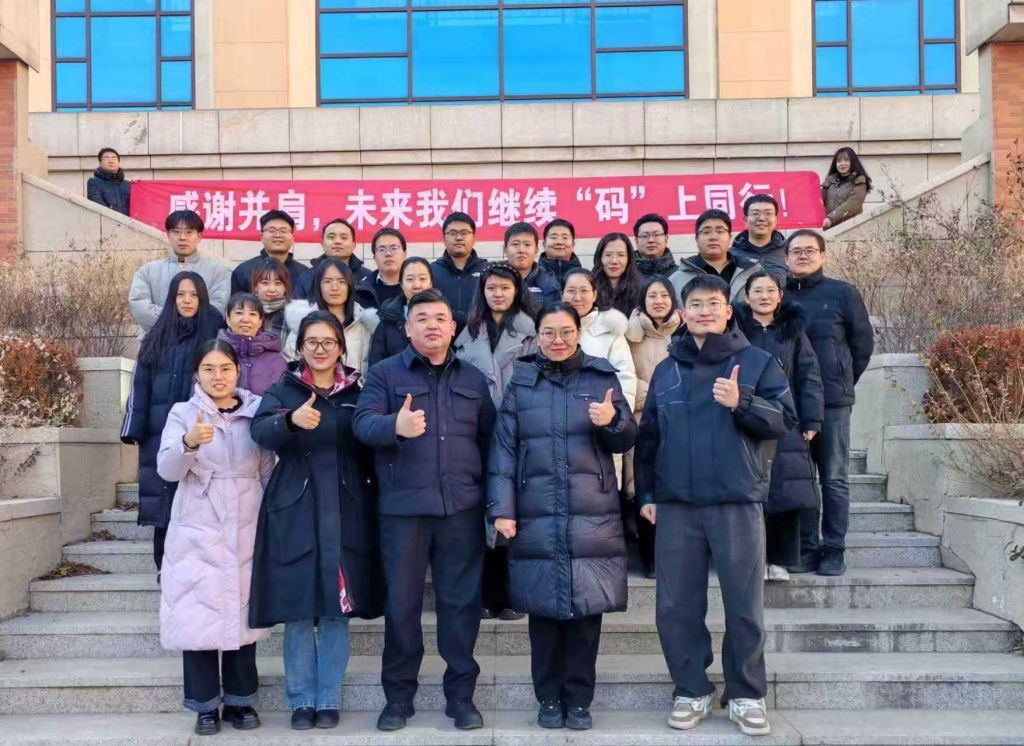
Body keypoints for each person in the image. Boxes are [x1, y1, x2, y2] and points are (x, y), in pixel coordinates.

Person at [634, 275, 796, 738]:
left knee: (743, 605)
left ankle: (746, 694)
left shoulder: (757, 362)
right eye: (696, 304)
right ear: (682, 313)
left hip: (736, 501)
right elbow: (650, 438)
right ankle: (691, 689)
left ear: (728, 311)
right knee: (675, 607)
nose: (704, 311)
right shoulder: (668, 369)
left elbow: (784, 421)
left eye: (713, 304)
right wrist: (647, 494)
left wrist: (742, 402)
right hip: (677, 505)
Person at [489, 302, 637, 732]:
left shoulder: (601, 376)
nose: (558, 340)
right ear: (537, 336)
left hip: (591, 510)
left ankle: (580, 700)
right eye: (549, 333)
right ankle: (549, 698)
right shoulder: (523, 379)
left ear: (578, 333)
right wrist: (502, 508)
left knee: (587, 614)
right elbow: (503, 449)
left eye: (566, 332)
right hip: (535, 508)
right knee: (543, 614)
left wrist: (612, 421)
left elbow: (628, 437)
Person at [353, 289, 496, 733]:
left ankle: (461, 698)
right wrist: (393, 426)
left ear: (453, 328)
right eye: (422, 318)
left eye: (439, 318)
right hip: (404, 512)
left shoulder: (473, 379)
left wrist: (493, 503)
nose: (432, 325)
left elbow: (490, 442)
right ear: (407, 327)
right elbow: (361, 424)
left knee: (461, 606)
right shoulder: (385, 374)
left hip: (461, 509)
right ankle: (398, 699)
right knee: (402, 606)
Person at [249, 311, 385, 731]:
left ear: (341, 348)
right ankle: (301, 701)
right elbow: (259, 431)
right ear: (299, 346)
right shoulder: (284, 389)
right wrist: (290, 421)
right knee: (299, 609)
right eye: (312, 342)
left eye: (328, 342)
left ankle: (328, 699)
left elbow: (372, 438)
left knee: (335, 610)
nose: (320, 349)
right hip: (295, 505)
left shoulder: (358, 391)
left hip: (347, 505)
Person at [156, 340, 274, 736]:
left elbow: (269, 469)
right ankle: (204, 705)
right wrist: (189, 443)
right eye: (209, 369)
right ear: (197, 374)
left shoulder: (257, 411)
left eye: (225, 368)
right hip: (198, 522)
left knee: (242, 610)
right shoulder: (182, 413)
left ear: (237, 370)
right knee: (197, 613)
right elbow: (167, 470)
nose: (218, 376)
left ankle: (241, 700)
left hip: (247, 519)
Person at [121, 273, 224, 573]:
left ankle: (197, 570)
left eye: (193, 295)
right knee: (163, 501)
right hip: (159, 431)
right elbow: (140, 384)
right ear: (172, 299)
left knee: (196, 501)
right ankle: (163, 569)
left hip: (199, 430)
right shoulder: (156, 335)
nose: (187, 300)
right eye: (181, 294)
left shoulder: (214, 333)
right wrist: (134, 427)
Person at [785, 230, 874, 576]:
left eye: (810, 250)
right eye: (796, 251)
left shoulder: (842, 293)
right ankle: (807, 547)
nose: (803, 256)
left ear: (822, 255)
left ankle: (834, 548)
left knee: (834, 477)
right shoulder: (778, 295)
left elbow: (862, 344)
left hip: (832, 403)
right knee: (802, 478)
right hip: (791, 404)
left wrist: (841, 380)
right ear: (786, 258)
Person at [454, 263, 537, 621]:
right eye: (491, 288)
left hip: (521, 430)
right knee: (484, 514)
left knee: (516, 513)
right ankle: (488, 594)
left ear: (516, 290)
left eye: (505, 287)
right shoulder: (467, 333)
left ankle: (515, 594)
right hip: (477, 431)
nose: (498, 293)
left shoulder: (532, 331)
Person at [733, 272, 824, 582]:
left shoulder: (792, 332)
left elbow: (809, 376)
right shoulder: (736, 331)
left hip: (785, 418)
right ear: (746, 297)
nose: (764, 296)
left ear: (780, 296)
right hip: (746, 416)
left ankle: (780, 560)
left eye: (770, 290)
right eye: (757, 291)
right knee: (751, 492)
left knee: (785, 491)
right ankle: (754, 559)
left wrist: (811, 419)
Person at [624, 276, 681, 579]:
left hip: (678, 421)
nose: (658, 301)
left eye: (664, 295)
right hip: (640, 417)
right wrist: (651, 395)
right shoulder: (629, 333)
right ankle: (648, 559)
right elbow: (623, 374)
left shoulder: (685, 331)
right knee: (641, 486)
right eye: (652, 296)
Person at [128, 210, 231, 333]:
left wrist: (186, 325)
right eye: (176, 232)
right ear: (168, 234)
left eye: (189, 232)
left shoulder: (217, 271)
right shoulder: (148, 271)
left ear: (199, 236)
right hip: (158, 339)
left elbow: (218, 307)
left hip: (201, 341)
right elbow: (140, 305)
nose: (182, 237)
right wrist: (174, 322)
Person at [284, 258, 379, 374]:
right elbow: (291, 370)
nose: (334, 288)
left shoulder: (365, 325)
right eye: (327, 281)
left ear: (349, 286)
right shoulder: (302, 324)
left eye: (341, 281)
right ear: (318, 286)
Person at [562, 268, 636, 412]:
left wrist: (620, 417)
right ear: (561, 294)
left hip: (599, 415)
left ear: (594, 294)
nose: (577, 298)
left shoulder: (610, 329)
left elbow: (625, 378)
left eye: (584, 291)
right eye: (571, 291)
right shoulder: (550, 329)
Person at [668, 209, 762, 304]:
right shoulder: (677, 279)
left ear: (730, 238)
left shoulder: (752, 271)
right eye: (706, 232)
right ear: (697, 239)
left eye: (720, 231)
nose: (713, 237)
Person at [367, 257, 433, 367]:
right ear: (401, 284)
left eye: (422, 279)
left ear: (431, 283)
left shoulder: (445, 319)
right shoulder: (387, 321)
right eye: (410, 279)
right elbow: (376, 367)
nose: (417, 285)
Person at [431, 212, 489, 334]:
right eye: (452, 233)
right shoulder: (431, 271)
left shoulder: (487, 270)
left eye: (464, 233)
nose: (458, 238)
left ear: (474, 238)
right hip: (441, 336)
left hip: (481, 335)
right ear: (443, 239)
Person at [217, 293, 286, 397]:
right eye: (239, 313)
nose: (245, 319)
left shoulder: (276, 360)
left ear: (260, 322)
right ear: (228, 320)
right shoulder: (213, 354)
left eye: (252, 314)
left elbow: (281, 400)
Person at [231, 210, 307, 295]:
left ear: (292, 237)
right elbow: (237, 302)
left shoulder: (305, 273)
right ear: (261, 236)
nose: (278, 235)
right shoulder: (243, 271)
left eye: (283, 231)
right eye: (271, 231)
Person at [293, 219, 372, 299]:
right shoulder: (306, 277)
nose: (337, 241)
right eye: (331, 237)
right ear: (322, 244)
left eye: (344, 238)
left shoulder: (368, 277)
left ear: (353, 245)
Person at [503, 222, 561, 305]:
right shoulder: (492, 279)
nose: (521, 250)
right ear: (505, 249)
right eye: (515, 244)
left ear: (536, 250)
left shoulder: (550, 283)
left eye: (527, 245)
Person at [730, 195, 788, 279]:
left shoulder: (789, 252)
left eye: (768, 213)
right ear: (745, 220)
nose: (761, 218)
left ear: (775, 220)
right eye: (755, 213)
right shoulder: (731, 255)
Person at [592, 232, 644, 317]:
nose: (614, 261)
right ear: (599, 257)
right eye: (608, 255)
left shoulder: (642, 289)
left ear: (629, 258)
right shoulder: (589, 287)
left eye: (621, 255)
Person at [355, 228, 407, 309]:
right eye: (382, 249)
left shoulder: (418, 287)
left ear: (404, 254)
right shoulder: (362, 290)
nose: (388, 253)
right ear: (374, 258)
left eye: (394, 248)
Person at [821, 147, 872, 230]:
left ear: (853, 162)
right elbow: (818, 200)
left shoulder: (860, 181)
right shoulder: (829, 181)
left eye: (846, 160)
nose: (842, 163)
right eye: (839, 161)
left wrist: (831, 218)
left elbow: (852, 204)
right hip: (829, 230)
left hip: (850, 229)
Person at [249, 258, 291, 337]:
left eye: (278, 283)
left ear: (285, 287)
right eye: (265, 283)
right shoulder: (246, 311)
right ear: (255, 286)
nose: (272, 289)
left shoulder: (293, 315)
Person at [87, 147, 131, 215]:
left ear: (118, 162)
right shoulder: (93, 182)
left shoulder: (128, 184)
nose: (111, 161)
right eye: (106, 158)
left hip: (128, 221)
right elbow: (98, 206)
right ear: (100, 162)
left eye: (114, 158)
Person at [539, 218, 582, 285]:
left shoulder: (584, 277)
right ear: (544, 244)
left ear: (573, 244)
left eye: (564, 238)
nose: (559, 242)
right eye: (553, 237)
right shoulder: (533, 275)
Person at [633, 213, 677, 278]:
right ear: (636, 240)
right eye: (645, 236)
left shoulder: (679, 275)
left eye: (656, 235)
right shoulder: (626, 275)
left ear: (666, 238)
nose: (651, 240)